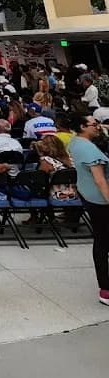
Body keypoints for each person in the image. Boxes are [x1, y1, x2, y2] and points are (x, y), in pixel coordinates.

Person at [68, 114, 109, 305]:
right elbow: (100, 181)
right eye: (95, 124)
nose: (98, 127)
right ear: (83, 127)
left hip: (87, 195)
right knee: (102, 242)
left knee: (101, 241)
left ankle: (104, 286)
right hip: (100, 200)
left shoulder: (75, 143)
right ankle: (105, 288)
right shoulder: (91, 152)